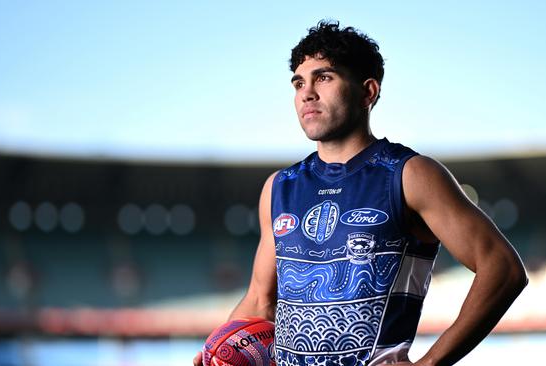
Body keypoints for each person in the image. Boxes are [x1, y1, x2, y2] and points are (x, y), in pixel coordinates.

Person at [194, 20, 528, 366]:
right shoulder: (279, 187)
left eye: (324, 78)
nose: (307, 92)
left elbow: (502, 268)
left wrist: (430, 364)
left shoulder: (409, 174)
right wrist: (217, 351)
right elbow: (260, 301)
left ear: (368, 92)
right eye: (298, 82)